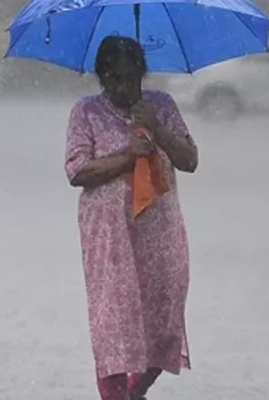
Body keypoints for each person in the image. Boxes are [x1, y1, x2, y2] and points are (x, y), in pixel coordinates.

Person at [64, 36, 199, 400]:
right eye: (115, 80)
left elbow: (189, 161)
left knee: (164, 316)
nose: (124, 88)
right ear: (102, 78)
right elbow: (77, 171)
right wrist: (126, 156)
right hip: (110, 237)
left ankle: (135, 391)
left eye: (131, 78)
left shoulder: (161, 106)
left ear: (142, 74)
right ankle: (116, 394)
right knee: (115, 321)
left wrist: (156, 127)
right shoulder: (86, 112)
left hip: (159, 231)